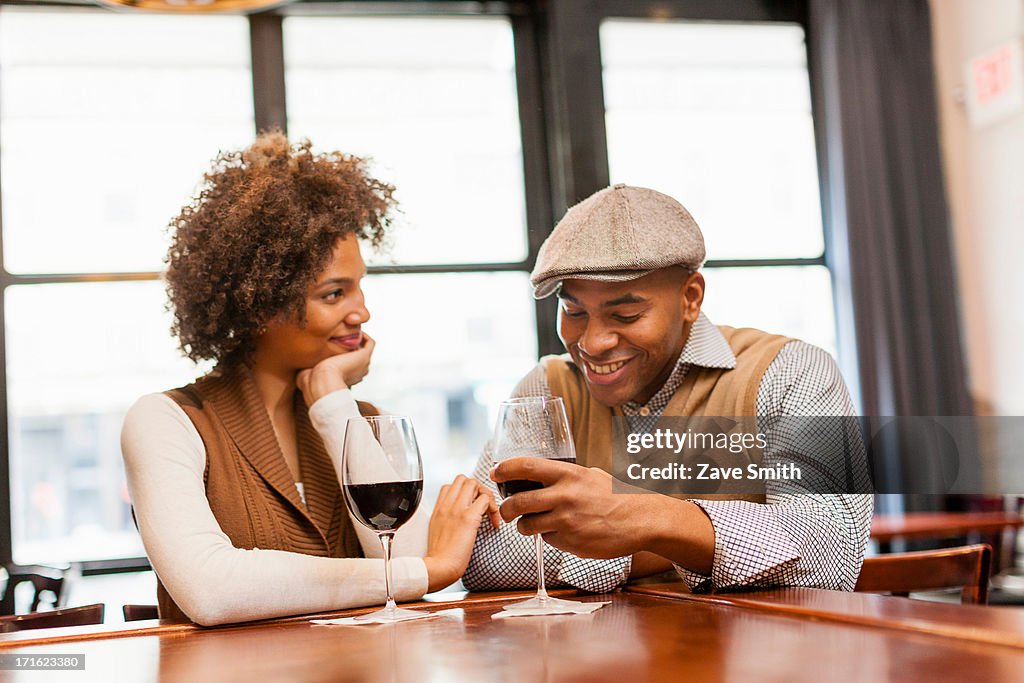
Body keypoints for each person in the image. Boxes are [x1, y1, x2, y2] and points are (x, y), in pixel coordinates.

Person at [121, 132, 497, 626]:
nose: (362, 311)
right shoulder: (167, 421)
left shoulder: (360, 419)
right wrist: (423, 571)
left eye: (360, 287)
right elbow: (212, 590)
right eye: (333, 294)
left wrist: (333, 402)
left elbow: (405, 560)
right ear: (261, 303)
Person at [464, 184, 871, 593]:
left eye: (624, 314)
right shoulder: (546, 387)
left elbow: (832, 552)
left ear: (690, 297)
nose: (592, 342)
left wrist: (645, 521)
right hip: (596, 655)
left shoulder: (791, 371)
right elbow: (478, 553)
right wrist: (682, 537)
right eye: (574, 312)